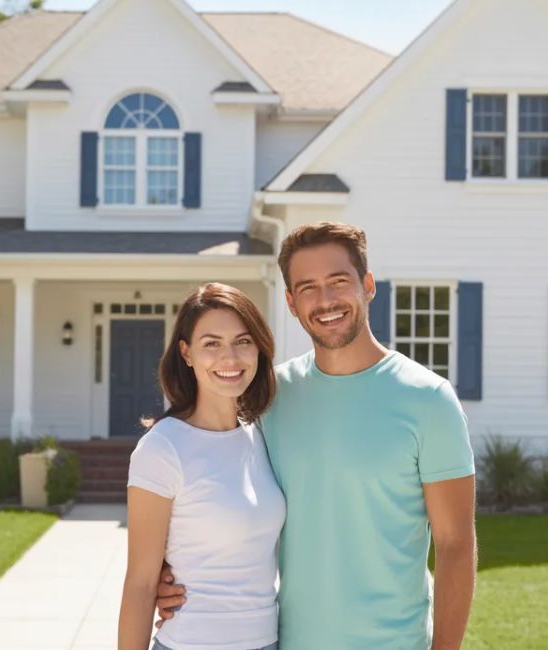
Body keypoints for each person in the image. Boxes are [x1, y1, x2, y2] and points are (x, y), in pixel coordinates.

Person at [156, 222, 478, 648]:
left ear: (367, 285)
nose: (325, 301)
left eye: (338, 282)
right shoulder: (271, 396)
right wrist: (165, 570)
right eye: (307, 287)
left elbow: (456, 546)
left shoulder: (429, 400)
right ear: (290, 302)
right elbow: (215, 487)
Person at [118, 283, 285, 650]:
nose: (230, 358)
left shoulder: (261, 436)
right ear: (187, 353)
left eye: (243, 341)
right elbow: (142, 583)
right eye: (211, 343)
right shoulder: (163, 448)